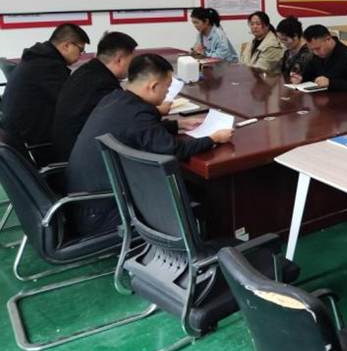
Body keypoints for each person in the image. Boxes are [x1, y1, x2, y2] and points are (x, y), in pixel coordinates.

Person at [65, 54, 233, 236]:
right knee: (194, 194)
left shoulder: (116, 98)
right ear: (153, 86)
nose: (167, 94)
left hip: (83, 204)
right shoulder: (139, 114)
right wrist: (213, 138)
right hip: (103, 214)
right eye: (167, 88)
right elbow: (174, 150)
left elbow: (138, 131)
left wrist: (178, 124)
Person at [2, 23, 90, 159]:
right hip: (36, 144)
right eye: (81, 50)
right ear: (66, 45)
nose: (81, 55)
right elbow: (71, 103)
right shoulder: (48, 67)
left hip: (21, 136)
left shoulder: (39, 58)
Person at [51, 31, 138, 162]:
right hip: (81, 160)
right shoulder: (103, 84)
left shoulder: (87, 72)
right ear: (120, 59)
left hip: (70, 151)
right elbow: (127, 123)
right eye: (132, 60)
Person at [290, 25, 347, 92]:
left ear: (328, 39)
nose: (315, 53)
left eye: (318, 48)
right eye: (312, 50)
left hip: (343, 99)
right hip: (321, 97)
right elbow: (309, 73)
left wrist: (330, 82)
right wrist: (300, 78)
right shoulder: (317, 54)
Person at [276, 15, 314, 80]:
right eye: (280, 39)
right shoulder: (288, 51)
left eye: (285, 39)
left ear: (295, 36)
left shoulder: (307, 52)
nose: (282, 43)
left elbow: (295, 73)